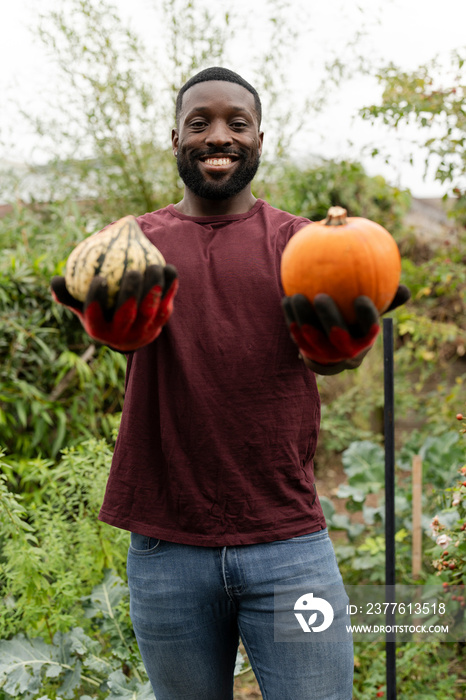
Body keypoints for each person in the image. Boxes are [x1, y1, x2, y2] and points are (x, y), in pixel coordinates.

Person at [51, 67, 409, 700]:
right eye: (200, 123)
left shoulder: (305, 246)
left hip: (288, 540)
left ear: (260, 139)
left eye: (236, 123)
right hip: (166, 545)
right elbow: (117, 334)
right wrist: (107, 329)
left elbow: (326, 356)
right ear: (175, 139)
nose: (219, 136)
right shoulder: (133, 248)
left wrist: (344, 354)